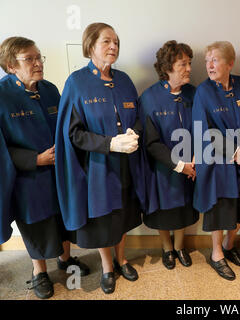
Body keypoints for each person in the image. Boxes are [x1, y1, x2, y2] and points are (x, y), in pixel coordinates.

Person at [55, 23, 147, 294]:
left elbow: (138, 118)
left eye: (116, 42)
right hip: (98, 167)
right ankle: (108, 266)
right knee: (104, 219)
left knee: (124, 215)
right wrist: (110, 143)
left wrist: (133, 134)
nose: (113, 47)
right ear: (90, 45)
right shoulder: (77, 82)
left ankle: (122, 259)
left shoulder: (125, 81)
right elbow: (73, 134)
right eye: (106, 41)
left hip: (127, 165)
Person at [0, 36, 89, 299]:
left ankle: (65, 259)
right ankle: (39, 272)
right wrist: (34, 160)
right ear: (10, 65)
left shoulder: (50, 89)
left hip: (58, 171)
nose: (38, 63)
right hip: (27, 176)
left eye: (39, 57)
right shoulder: (2, 97)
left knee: (62, 217)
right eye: (30, 59)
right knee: (36, 224)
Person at [192, 41, 240, 280]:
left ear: (230, 63)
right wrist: (232, 150)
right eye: (207, 60)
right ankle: (217, 253)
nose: (209, 65)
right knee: (220, 208)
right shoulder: (203, 92)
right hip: (217, 160)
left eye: (215, 60)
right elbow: (202, 131)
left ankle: (230, 246)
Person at [139, 40, 199, 269]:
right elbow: (151, 142)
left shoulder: (194, 94)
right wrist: (179, 165)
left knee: (184, 208)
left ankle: (181, 246)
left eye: (190, 63)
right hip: (163, 168)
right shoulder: (149, 98)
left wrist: (195, 161)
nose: (189, 69)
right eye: (183, 64)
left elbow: (204, 129)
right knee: (164, 211)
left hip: (192, 167)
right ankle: (167, 248)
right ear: (167, 67)